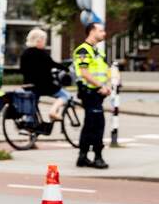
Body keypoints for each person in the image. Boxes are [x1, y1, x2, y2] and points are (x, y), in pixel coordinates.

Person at [73, 22, 110, 169]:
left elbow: (103, 71)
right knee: (97, 124)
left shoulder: (97, 52)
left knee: (90, 125)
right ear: (92, 31)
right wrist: (101, 86)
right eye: (101, 30)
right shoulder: (83, 50)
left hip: (96, 93)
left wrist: (107, 86)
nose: (104, 33)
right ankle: (97, 157)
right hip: (90, 93)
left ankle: (82, 157)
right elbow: (84, 73)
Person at [19, 28, 71, 122]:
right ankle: (53, 111)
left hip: (28, 86)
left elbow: (22, 70)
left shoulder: (24, 53)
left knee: (32, 108)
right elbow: (52, 64)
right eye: (44, 40)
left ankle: (31, 130)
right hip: (44, 86)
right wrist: (66, 68)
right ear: (38, 41)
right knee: (66, 95)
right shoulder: (42, 54)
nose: (44, 43)